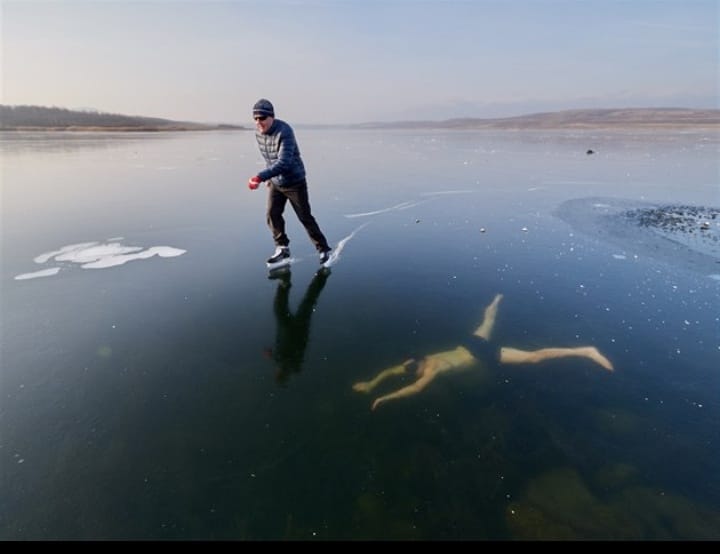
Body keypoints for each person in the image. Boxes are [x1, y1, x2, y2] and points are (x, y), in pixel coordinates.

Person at [352, 294, 614, 411]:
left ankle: (585, 351)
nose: (412, 370)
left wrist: (384, 398)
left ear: (420, 365)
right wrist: (371, 382)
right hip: (469, 345)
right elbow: (391, 370)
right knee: (486, 323)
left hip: (482, 355)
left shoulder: (432, 369)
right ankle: (496, 300)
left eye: (415, 369)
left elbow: (416, 389)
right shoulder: (416, 361)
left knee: (535, 357)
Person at [247, 99, 332, 265]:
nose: (259, 122)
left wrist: (260, 177)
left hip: (294, 181)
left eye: (262, 117)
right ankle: (282, 248)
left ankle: (324, 249)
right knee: (272, 214)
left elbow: (283, 162)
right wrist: (269, 178)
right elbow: (269, 157)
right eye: (255, 118)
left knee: (305, 217)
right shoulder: (258, 133)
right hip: (276, 182)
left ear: (271, 116)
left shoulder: (284, 132)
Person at [264, 267, 331, 385]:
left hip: (299, 331)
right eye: (278, 373)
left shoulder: (291, 366)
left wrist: (272, 355)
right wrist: (272, 355)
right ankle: (285, 282)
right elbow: (286, 361)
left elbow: (288, 361)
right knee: (283, 307)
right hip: (290, 331)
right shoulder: (288, 365)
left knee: (307, 302)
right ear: (281, 374)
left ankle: (321, 276)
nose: (277, 371)